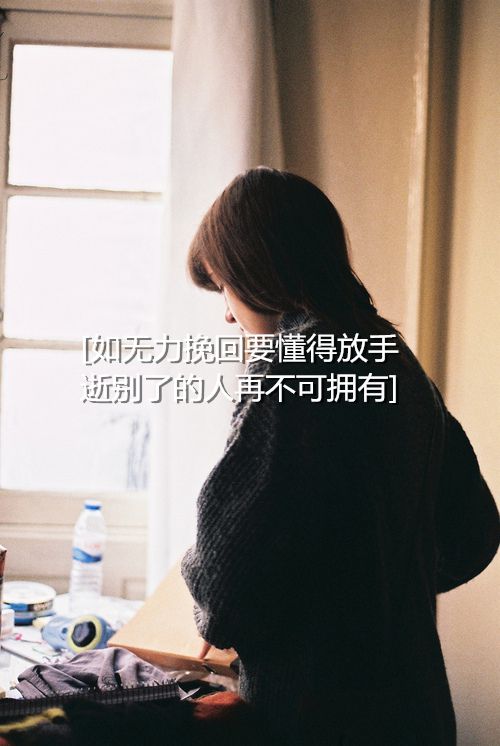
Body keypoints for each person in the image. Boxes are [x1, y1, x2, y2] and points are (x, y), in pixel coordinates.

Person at [180, 167, 499, 745]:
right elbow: (474, 534)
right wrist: (380, 589)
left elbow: (224, 593)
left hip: (320, 718)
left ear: (254, 270)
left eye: (224, 287)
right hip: (417, 708)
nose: (227, 313)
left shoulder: (292, 367)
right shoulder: (393, 359)